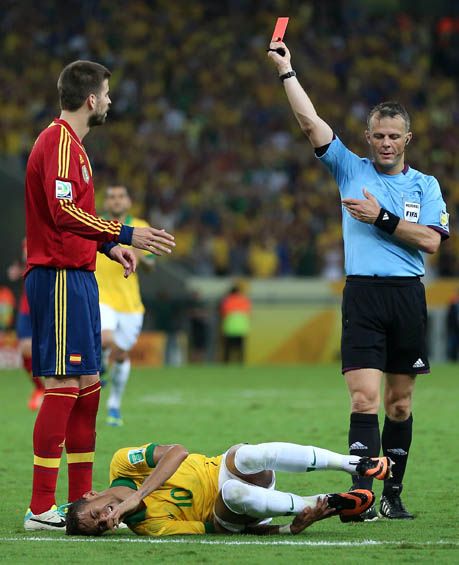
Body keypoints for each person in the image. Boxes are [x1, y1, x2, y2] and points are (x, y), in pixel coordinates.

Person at [268, 41, 449, 520]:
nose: (386, 143)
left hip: (407, 296)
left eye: (394, 136)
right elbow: (311, 124)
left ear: (407, 139)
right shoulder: (350, 168)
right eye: (378, 136)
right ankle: (362, 496)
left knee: (399, 404)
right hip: (364, 295)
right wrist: (287, 71)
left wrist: (381, 217)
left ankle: (393, 495)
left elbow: (431, 243)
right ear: (368, 138)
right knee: (364, 398)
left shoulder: (425, 186)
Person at [24, 60, 176, 531]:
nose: (109, 101)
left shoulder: (75, 148)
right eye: (106, 93)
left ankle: (78, 497)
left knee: (89, 387)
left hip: (80, 275)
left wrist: (110, 247)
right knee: (63, 386)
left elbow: (75, 219)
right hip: (60, 279)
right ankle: (40, 507)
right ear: (91, 99)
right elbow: (64, 211)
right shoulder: (60, 143)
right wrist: (127, 232)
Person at [65, 440, 392, 536]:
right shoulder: (151, 527)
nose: (105, 519)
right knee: (231, 494)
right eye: (100, 527)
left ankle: (354, 463)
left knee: (248, 453)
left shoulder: (122, 464)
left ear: (91, 494)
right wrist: (286, 531)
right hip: (234, 512)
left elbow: (178, 452)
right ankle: (326, 503)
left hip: (223, 468)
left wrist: (137, 495)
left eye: (95, 513)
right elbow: (216, 531)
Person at [95, 185, 155, 427]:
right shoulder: (96, 224)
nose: (116, 201)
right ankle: (101, 365)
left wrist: (140, 255)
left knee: (121, 354)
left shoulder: (140, 226)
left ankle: (114, 405)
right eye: (111, 197)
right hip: (102, 296)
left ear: (128, 201)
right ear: (106, 203)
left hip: (130, 303)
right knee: (104, 339)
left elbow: (151, 267)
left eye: (121, 196)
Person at [7, 240, 44, 410]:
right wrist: (18, 269)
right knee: (24, 348)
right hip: (27, 305)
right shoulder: (29, 238)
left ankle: (57, 391)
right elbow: (27, 260)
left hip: (49, 303)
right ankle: (39, 388)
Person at [220, 283, 251, 363]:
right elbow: (247, 312)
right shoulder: (244, 300)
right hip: (241, 327)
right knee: (240, 348)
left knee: (228, 348)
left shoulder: (227, 300)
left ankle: (226, 364)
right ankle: (240, 363)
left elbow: (223, 312)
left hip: (229, 327)